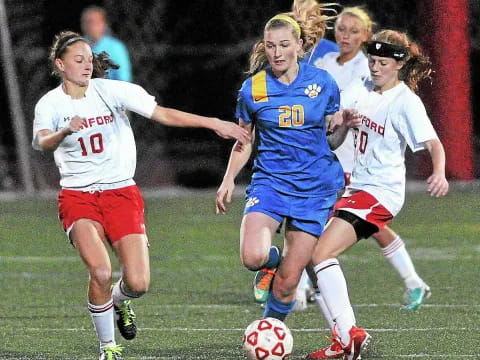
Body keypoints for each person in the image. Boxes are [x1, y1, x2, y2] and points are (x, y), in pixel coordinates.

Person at [32, 31, 250, 360]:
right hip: (79, 197)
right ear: (60, 65)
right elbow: (42, 142)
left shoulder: (113, 91)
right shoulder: (50, 104)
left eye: (90, 60)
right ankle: (108, 349)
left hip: (121, 193)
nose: (87, 66)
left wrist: (213, 123)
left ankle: (119, 302)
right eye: (79, 61)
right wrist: (65, 130)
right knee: (102, 272)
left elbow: (162, 113)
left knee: (138, 282)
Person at [305, 29, 449, 360]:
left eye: (382, 63)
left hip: (381, 193)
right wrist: (340, 119)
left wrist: (439, 172)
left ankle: (350, 336)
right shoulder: (362, 86)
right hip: (356, 188)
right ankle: (344, 339)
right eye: (371, 60)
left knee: (321, 253)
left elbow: (434, 144)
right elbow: (335, 126)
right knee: (311, 254)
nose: (374, 67)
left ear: (398, 65)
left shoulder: (406, 102)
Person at [215, 10, 360, 325]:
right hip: (271, 183)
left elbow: (331, 141)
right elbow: (245, 140)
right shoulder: (252, 89)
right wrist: (228, 179)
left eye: (283, 45)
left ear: (299, 47)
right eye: (270, 46)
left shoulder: (322, 84)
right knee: (253, 256)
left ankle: (270, 331)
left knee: (288, 285)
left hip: (314, 188)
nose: (276, 53)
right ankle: (272, 261)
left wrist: (344, 126)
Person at [81, 5, 132, 82]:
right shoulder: (75, 47)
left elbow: (124, 78)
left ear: (104, 24)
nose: (93, 26)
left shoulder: (116, 47)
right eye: (89, 22)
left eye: (97, 22)